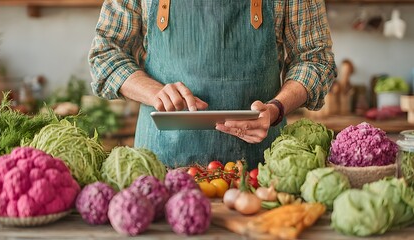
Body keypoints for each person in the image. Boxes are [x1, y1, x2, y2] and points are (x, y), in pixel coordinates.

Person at [88, 0, 337, 168]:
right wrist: (153, 92)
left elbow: (315, 59)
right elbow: (106, 53)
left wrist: (276, 109)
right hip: (160, 168)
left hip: (260, 172)